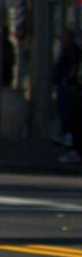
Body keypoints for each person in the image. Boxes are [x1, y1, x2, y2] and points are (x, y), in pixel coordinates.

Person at [53, 26, 81, 163]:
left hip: (70, 89)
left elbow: (75, 67)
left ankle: (73, 143)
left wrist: (67, 81)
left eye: (63, 36)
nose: (61, 39)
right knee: (68, 115)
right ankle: (69, 138)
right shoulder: (66, 49)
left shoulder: (73, 50)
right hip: (66, 88)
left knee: (71, 117)